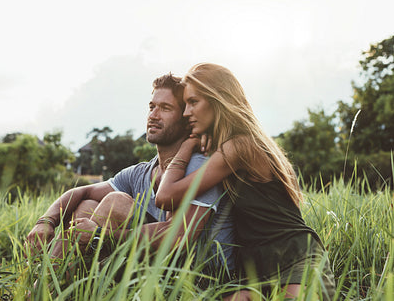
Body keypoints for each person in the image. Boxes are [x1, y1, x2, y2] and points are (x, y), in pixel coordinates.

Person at [155, 63, 336, 300]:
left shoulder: (239, 147)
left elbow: (164, 196)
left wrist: (187, 146)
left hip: (294, 256)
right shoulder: (230, 145)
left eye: (193, 102)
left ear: (217, 99)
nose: (186, 112)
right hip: (253, 268)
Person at [25, 73, 235, 277]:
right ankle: (45, 287)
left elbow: (178, 238)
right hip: (155, 270)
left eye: (165, 108)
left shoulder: (199, 164)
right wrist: (45, 221)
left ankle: (49, 289)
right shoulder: (142, 172)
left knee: (116, 202)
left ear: (185, 119)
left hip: (197, 278)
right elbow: (82, 190)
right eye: (152, 107)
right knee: (85, 206)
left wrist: (98, 235)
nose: (153, 115)